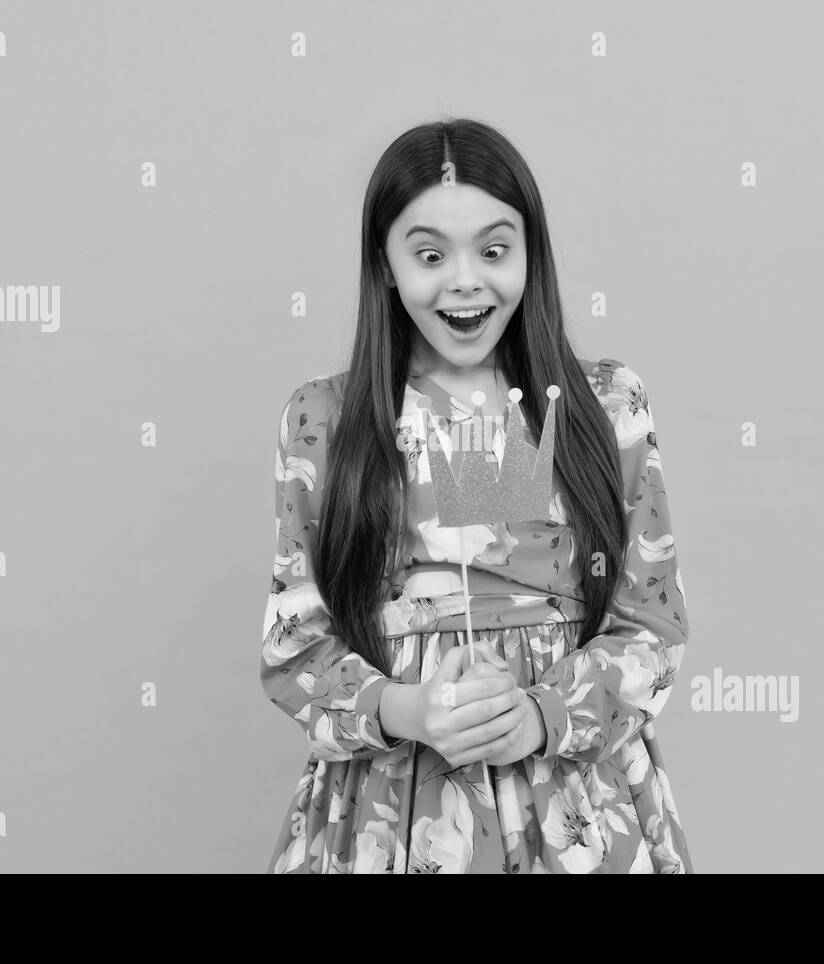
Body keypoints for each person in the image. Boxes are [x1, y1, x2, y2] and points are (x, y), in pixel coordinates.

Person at [260, 118, 693, 873]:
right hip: (389, 815)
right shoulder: (323, 423)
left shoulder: (605, 407)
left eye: (494, 250)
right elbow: (294, 648)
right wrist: (407, 711)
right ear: (386, 265)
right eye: (430, 254)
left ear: (531, 255)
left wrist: (539, 714)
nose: (465, 280)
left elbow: (653, 630)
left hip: (576, 809)